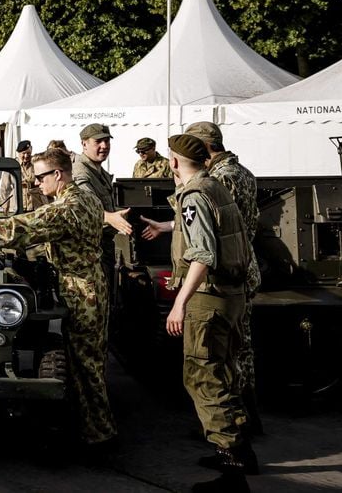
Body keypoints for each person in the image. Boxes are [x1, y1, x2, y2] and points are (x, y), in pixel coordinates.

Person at [0, 148, 118, 450]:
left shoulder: (63, 209)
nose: (36, 183)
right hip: (95, 283)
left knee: (84, 365)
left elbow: (19, 228)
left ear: (58, 175)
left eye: (41, 177)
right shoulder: (89, 199)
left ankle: (99, 435)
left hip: (79, 288)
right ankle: (95, 427)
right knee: (93, 361)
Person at [145, 134, 257, 488]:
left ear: (175, 162)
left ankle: (232, 469)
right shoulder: (215, 186)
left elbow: (202, 254)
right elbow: (212, 230)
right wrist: (166, 226)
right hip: (232, 295)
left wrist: (179, 303)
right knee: (225, 372)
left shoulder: (193, 194)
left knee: (203, 378)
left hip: (208, 299)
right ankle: (241, 450)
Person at [72, 124, 132, 289]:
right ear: (84, 144)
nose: (104, 146)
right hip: (91, 249)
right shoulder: (81, 171)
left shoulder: (97, 170)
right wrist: (110, 217)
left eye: (106, 141)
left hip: (103, 244)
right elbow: (86, 205)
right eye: (98, 142)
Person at [0, 140, 50, 213]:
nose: (26, 156)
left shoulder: (37, 163)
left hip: (37, 203)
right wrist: (5, 205)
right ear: (18, 153)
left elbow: (47, 181)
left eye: (28, 153)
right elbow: (5, 188)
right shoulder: (12, 165)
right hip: (18, 203)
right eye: (23, 153)